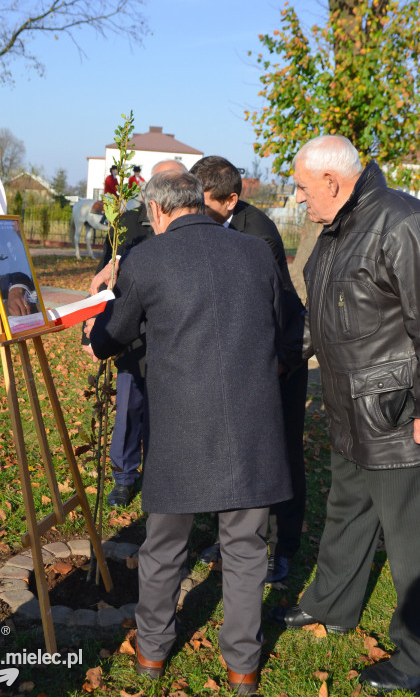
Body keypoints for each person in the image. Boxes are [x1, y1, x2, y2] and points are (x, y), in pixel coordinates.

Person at [88, 170, 293, 694]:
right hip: (253, 423)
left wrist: (95, 337)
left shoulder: (147, 258)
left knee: (164, 547)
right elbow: (288, 325)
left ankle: (152, 653)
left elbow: (113, 333)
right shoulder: (255, 252)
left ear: (158, 211)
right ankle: (243, 667)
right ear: (199, 204)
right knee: (246, 549)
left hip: (181, 429)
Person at [271, 135, 420, 695]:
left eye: (304, 189)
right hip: (346, 409)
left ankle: (415, 656)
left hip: (396, 415)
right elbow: (324, 314)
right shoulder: (337, 229)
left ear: (332, 182)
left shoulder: (402, 222)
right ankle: (332, 605)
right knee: (346, 512)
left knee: (411, 542)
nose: (299, 200)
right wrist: (284, 360)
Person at [190, 156, 307, 583]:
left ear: (231, 200)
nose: (193, 210)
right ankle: (233, 538)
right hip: (241, 361)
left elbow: (269, 311)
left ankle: (283, 547)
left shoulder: (258, 235)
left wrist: (272, 365)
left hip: (279, 359)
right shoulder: (209, 224)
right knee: (236, 453)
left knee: (282, 457)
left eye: (202, 202)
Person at [89, 160, 187, 508]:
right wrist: (93, 333)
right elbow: (102, 277)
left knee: (169, 413)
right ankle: (124, 476)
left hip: (174, 337)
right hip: (130, 334)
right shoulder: (127, 223)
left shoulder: (186, 229)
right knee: (128, 409)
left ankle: (163, 472)